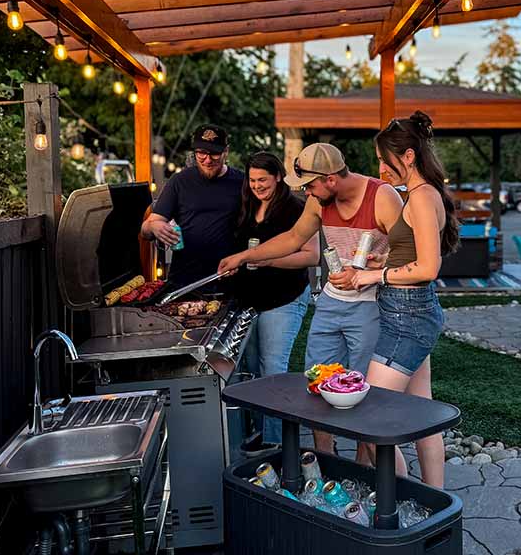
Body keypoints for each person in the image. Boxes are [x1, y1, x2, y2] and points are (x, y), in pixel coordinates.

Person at [218, 142, 403, 458]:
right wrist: (246, 255)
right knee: (317, 381)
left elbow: (408, 254)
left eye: (310, 186)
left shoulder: (382, 197)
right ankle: (325, 462)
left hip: (372, 304)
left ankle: (362, 465)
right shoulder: (319, 202)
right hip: (332, 302)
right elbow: (293, 238)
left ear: (330, 178)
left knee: (361, 389)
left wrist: (375, 265)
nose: (307, 193)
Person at [344, 111, 459, 488]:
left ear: (408, 156)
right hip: (405, 312)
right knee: (421, 413)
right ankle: (436, 500)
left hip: (409, 316)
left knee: (367, 416)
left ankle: (402, 497)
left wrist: (372, 275)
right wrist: (385, 260)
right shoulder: (419, 195)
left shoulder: (423, 198)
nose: (380, 167)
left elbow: (428, 267)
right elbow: (413, 254)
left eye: (384, 158)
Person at [230, 152, 318, 453]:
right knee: (252, 368)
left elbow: (311, 255)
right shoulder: (247, 204)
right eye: (252, 180)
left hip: (285, 298)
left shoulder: (295, 207)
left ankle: (276, 443)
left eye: (263, 180)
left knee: (273, 368)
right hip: (250, 300)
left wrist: (268, 260)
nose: (257, 186)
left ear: (278, 177)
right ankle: (263, 431)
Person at [141, 124, 244, 286]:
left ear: (226, 151)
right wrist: (154, 227)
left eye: (215, 154)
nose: (208, 160)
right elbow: (145, 229)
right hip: (184, 282)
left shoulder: (242, 182)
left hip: (228, 279)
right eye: (201, 153)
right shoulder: (179, 181)